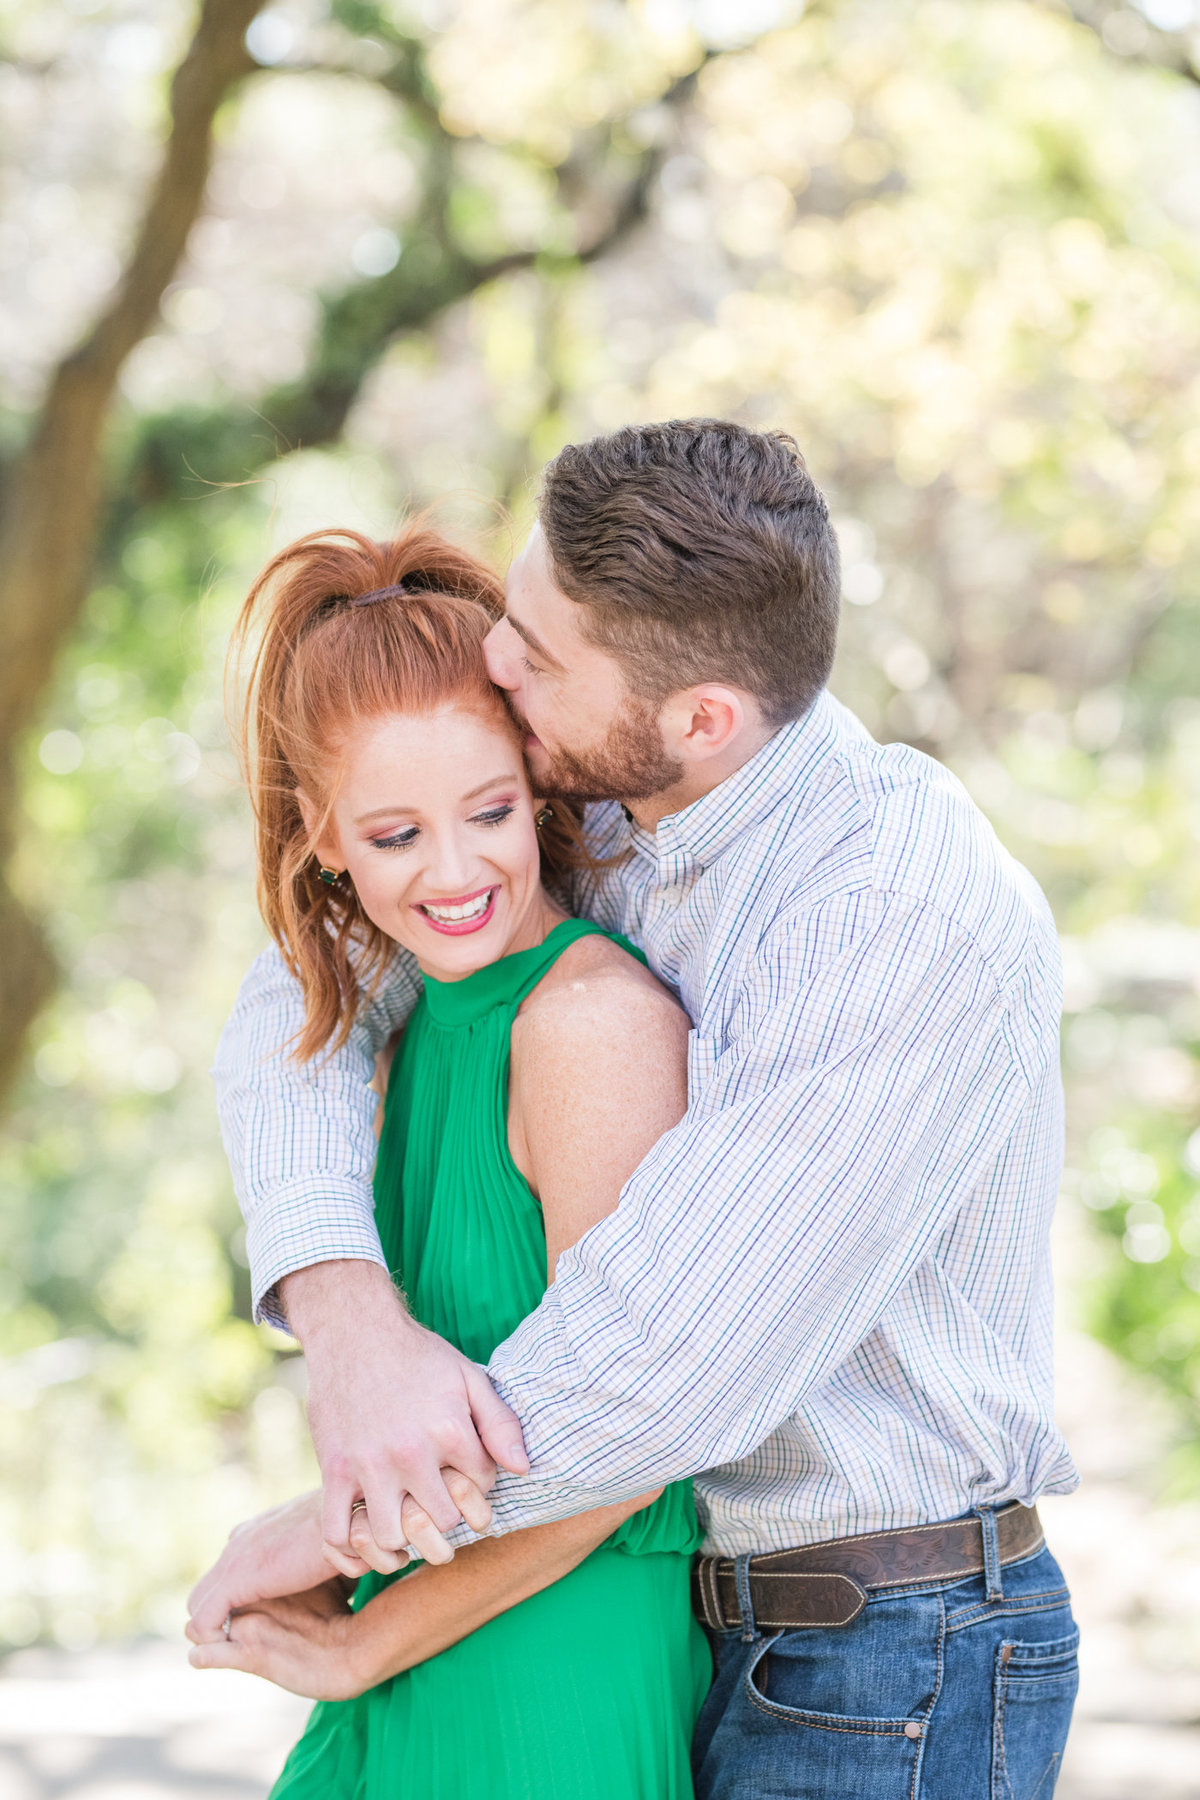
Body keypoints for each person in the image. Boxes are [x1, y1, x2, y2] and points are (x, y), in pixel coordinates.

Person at [194, 421, 1081, 1799]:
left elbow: (665, 1368)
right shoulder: (607, 810)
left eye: (536, 658)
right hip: (706, 1613)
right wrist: (344, 1311)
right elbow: (304, 990)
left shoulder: (893, 922)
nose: (495, 659)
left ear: (701, 717)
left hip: (889, 1653)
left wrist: (333, 1532)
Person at [188, 523, 711, 1798]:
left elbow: (623, 1451)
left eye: (487, 811)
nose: (457, 870)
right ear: (321, 836)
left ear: (538, 781)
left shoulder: (589, 1026)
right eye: (395, 835)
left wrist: (363, 1642)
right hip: (426, 1622)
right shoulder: (407, 1013)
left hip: (554, 1650)